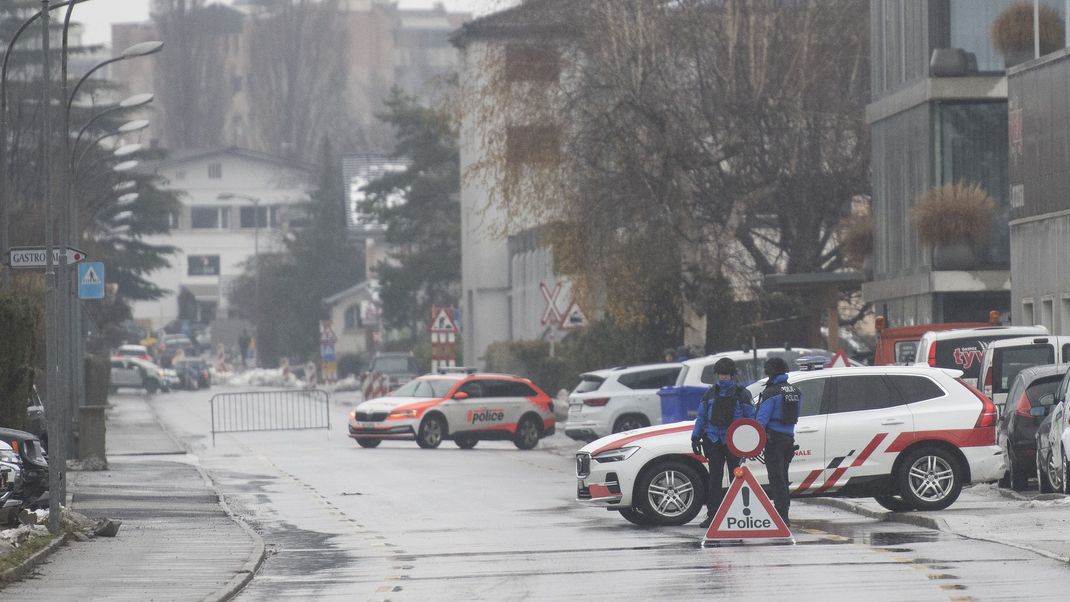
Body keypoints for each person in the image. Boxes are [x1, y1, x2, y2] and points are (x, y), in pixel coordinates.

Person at [691, 357, 755, 528]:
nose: (723, 378)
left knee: (737, 479)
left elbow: (751, 419)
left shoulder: (742, 393)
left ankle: (740, 513)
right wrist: (695, 437)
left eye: (726, 374)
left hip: (734, 442)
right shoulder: (710, 393)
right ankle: (713, 516)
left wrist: (751, 442)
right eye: (721, 374)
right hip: (714, 440)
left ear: (732, 374)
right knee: (714, 480)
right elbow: (701, 417)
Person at [754, 356, 800, 526]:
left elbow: (762, 419)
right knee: (783, 477)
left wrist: (755, 441)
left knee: (776, 478)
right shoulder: (794, 391)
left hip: (773, 440)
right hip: (789, 439)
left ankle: (781, 516)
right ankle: (784, 512)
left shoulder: (770, 392)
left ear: (770, 373)